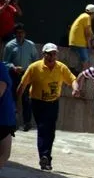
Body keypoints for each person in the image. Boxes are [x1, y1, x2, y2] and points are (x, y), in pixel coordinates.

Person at [16, 43, 77, 171]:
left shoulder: (61, 67)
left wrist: (75, 89)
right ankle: (44, 156)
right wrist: (18, 104)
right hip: (38, 102)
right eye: (50, 54)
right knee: (43, 128)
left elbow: (72, 79)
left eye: (54, 53)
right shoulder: (34, 67)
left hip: (53, 103)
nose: (52, 56)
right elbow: (22, 86)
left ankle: (46, 158)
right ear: (44, 54)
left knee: (51, 131)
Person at [3, 23, 39, 131]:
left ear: (25, 33)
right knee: (12, 98)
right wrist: (13, 67)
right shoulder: (9, 46)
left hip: (26, 74)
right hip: (13, 74)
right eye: (18, 33)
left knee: (26, 99)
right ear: (15, 34)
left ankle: (27, 122)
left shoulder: (30, 45)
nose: (20, 35)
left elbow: (35, 60)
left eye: (22, 32)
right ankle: (12, 123)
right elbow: (5, 62)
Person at [69, 4, 94, 70]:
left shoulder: (83, 16)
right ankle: (83, 78)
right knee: (86, 65)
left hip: (75, 42)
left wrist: (93, 39)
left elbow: (91, 33)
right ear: (93, 13)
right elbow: (87, 34)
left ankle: (91, 54)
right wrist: (89, 46)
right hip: (79, 43)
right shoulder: (87, 17)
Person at [0, 61, 15, 169]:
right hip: (3, 119)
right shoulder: (1, 68)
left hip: (5, 118)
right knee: (4, 153)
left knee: (4, 154)